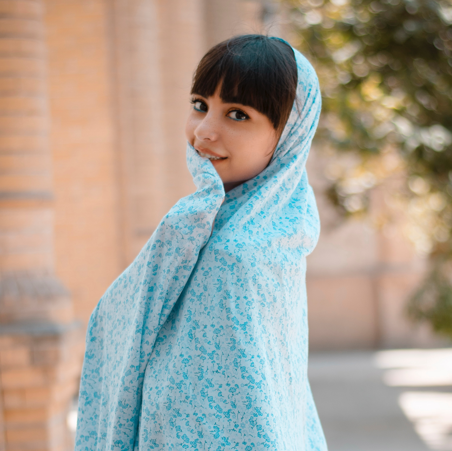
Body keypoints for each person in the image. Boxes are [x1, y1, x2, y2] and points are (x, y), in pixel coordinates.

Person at [74, 34, 328, 450]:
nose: (204, 131)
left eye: (238, 114)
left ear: (287, 135)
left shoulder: (232, 252)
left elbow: (243, 411)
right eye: (199, 105)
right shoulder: (271, 222)